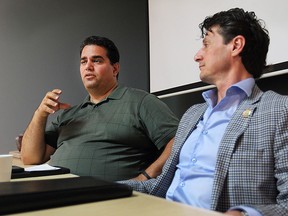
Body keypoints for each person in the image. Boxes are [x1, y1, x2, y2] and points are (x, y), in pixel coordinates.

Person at [119, 8, 288, 216]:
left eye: (206, 44)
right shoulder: (193, 114)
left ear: (236, 45)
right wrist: (100, 187)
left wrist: (244, 214)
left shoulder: (278, 110)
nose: (197, 56)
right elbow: (159, 187)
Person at [20, 36, 179, 181]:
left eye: (96, 60)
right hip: (56, 194)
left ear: (115, 69)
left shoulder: (141, 102)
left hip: (108, 201)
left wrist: (145, 177)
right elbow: (30, 158)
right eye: (83, 61)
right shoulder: (70, 114)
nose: (88, 66)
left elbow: (179, 140)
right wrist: (40, 114)